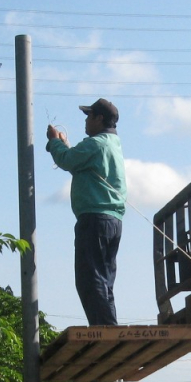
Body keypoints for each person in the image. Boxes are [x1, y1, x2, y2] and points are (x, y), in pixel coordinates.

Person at [46, 98, 126, 326]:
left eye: (89, 115)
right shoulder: (111, 144)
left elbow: (68, 160)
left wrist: (54, 142)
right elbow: (78, 160)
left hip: (95, 219)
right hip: (112, 221)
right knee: (104, 280)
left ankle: (106, 332)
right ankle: (108, 328)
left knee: (89, 279)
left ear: (99, 118)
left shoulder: (96, 144)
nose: (86, 120)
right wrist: (65, 145)